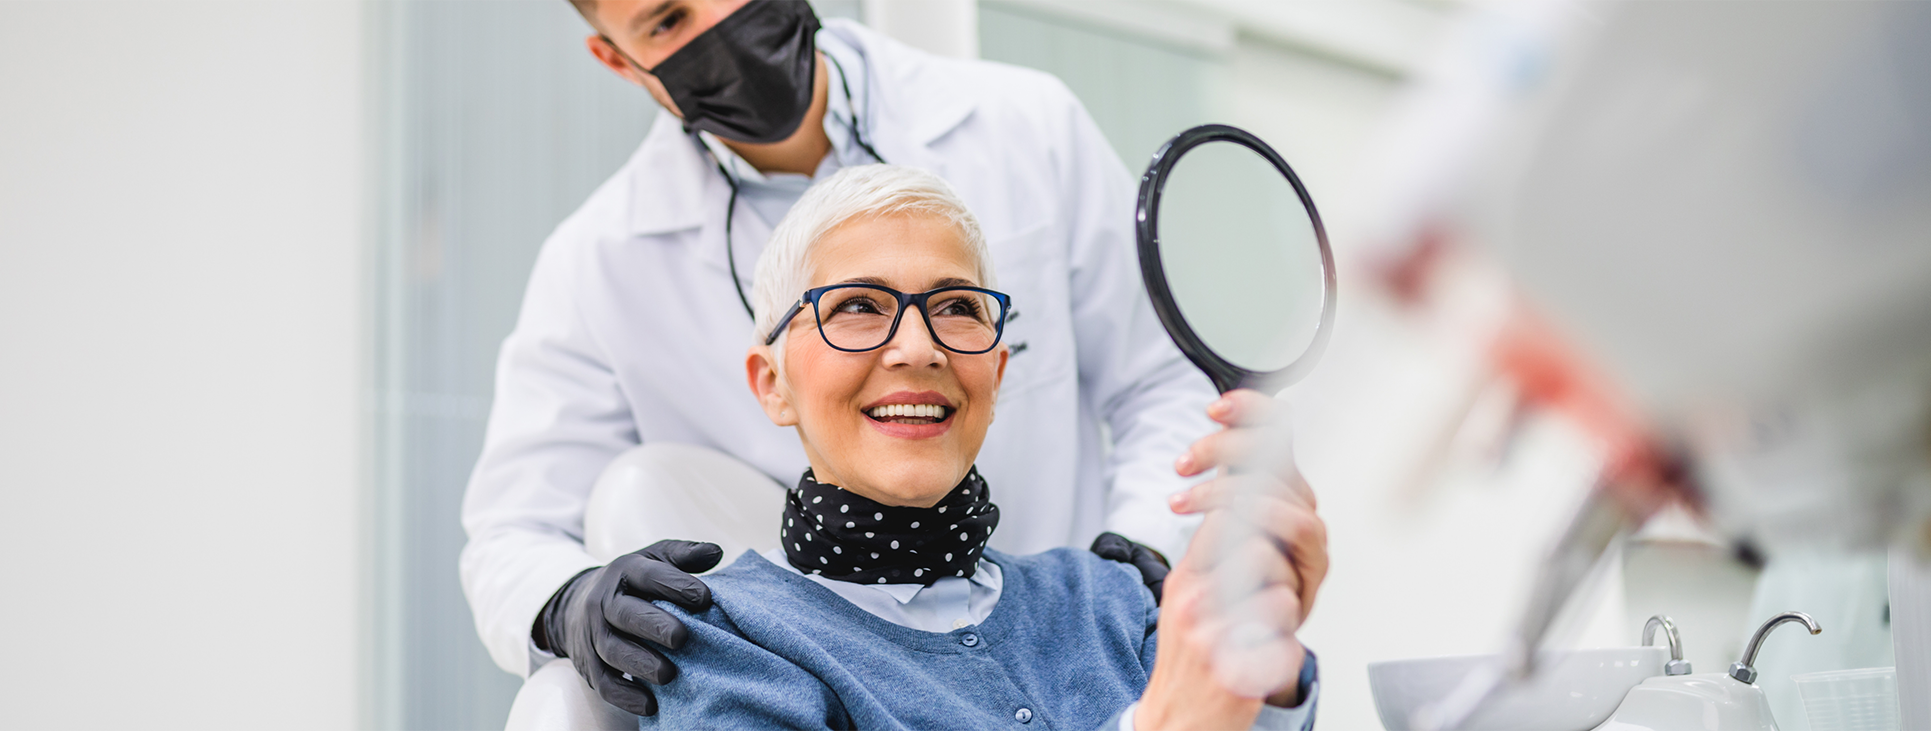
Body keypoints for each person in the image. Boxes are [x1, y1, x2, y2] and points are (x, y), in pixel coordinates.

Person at [460, 0, 1300, 716]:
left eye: (958, 308)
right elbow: (512, 529)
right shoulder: (600, 264)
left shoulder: (1025, 127)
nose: (915, 349)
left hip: (1086, 657)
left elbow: (1166, 379)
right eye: (671, 16)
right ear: (615, 56)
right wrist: (566, 599)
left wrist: (1139, 572)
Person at [628, 163, 1322, 730]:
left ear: (996, 368)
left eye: (957, 307)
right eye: (858, 306)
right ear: (772, 383)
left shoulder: (1111, 600)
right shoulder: (725, 642)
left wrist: (1261, 656)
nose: (918, 348)